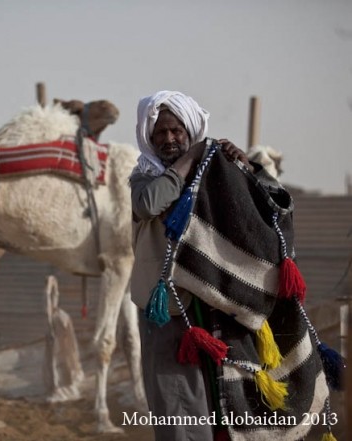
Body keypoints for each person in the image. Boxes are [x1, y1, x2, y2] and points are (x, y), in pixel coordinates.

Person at [129, 90, 252, 440]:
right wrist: (193, 155)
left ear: (190, 130)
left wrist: (240, 165)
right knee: (176, 404)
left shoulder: (215, 174)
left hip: (214, 306)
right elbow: (149, 204)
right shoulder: (145, 178)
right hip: (167, 309)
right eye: (160, 133)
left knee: (223, 401)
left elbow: (253, 209)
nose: (169, 139)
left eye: (177, 131)